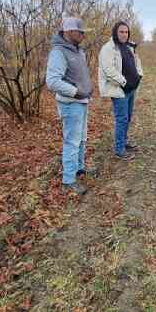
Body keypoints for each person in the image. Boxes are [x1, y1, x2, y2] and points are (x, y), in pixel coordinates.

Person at [46, 17, 97, 196]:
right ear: (68, 32)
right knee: (72, 141)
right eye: (80, 31)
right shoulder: (58, 52)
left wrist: (87, 90)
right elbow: (52, 82)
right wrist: (77, 92)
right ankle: (69, 180)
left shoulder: (78, 51)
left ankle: (80, 169)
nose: (83, 34)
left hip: (82, 102)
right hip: (71, 104)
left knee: (82, 139)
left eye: (83, 31)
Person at [98, 20, 144, 160]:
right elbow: (109, 71)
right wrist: (124, 82)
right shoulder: (108, 48)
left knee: (127, 118)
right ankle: (119, 150)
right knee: (122, 119)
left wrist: (139, 76)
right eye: (121, 32)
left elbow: (136, 63)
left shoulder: (128, 47)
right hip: (120, 90)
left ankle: (123, 143)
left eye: (126, 32)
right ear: (115, 32)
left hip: (131, 89)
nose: (124, 34)